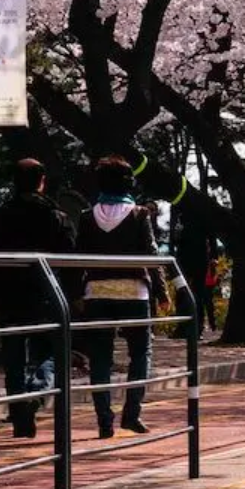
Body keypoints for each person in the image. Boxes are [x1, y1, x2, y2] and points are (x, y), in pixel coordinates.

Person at [0, 158, 76, 438]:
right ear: (41, 181)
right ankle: (36, 392)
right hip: (44, 295)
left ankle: (20, 419)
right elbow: (70, 254)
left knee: (13, 359)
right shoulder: (56, 216)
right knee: (52, 353)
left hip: (6, 295)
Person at [76, 157, 169, 438]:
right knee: (141, 353)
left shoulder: (86, 215)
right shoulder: (140, 214)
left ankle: (104, 420)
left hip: (97, 292)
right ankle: (132, 414)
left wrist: (75, 293)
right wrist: (162, 291)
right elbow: (151, 256)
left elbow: (78, 257)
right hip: (134, 293)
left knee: (100, 358)